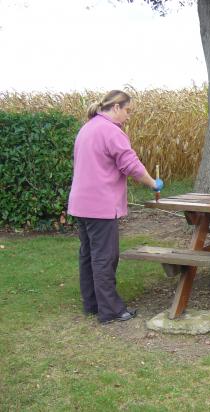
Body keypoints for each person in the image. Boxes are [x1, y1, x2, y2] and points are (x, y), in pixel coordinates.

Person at [68, 90, 164, 324]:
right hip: (100, 206)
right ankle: (110, 310)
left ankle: (92, 304)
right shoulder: (111, 131)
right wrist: (153, 183)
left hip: (80, 203)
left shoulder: (87, 128)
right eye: (128, 110)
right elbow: (131, 165)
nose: (129, 116)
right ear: (116, 107)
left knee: (88, 255)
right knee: (104, 258)